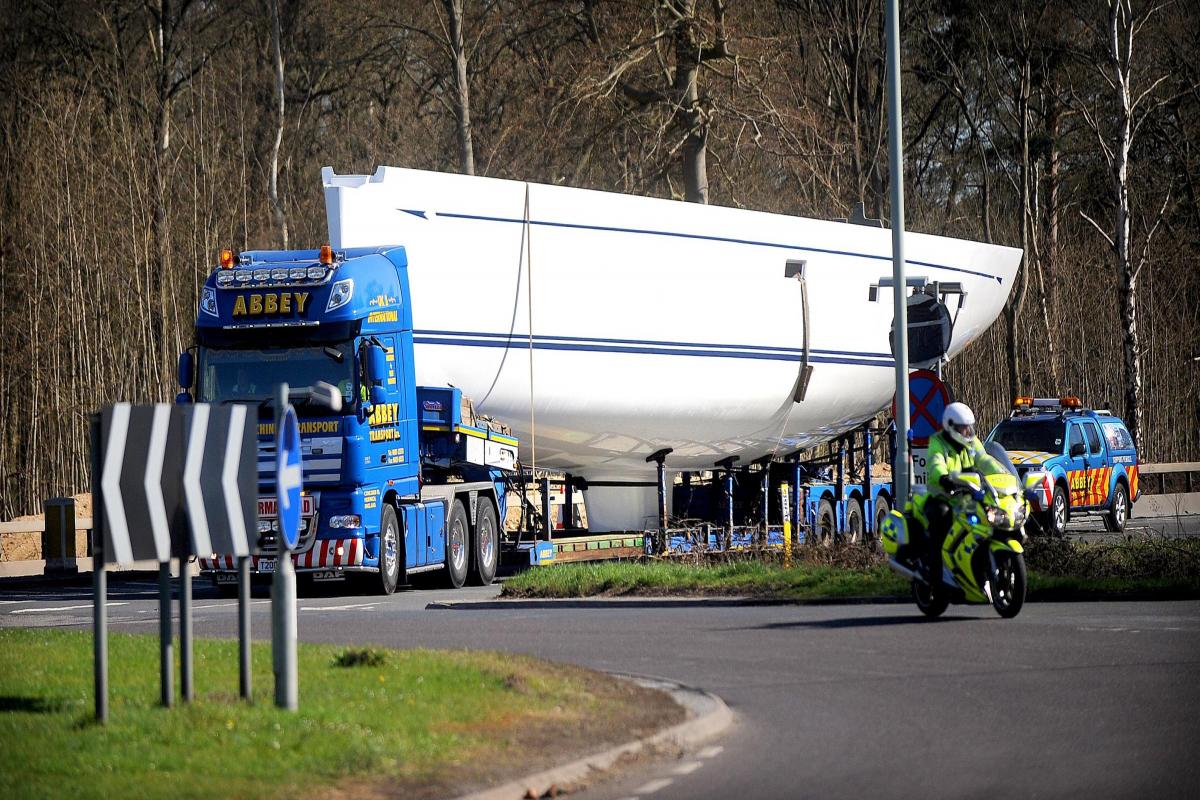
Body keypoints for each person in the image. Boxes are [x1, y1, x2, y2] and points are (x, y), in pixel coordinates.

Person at [922, 402, 1004, 581]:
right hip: (943, 496)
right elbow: (935, 463)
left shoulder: (972, 442)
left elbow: (984, 460)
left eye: (968, 427)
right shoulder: (938, 442)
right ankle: (936, 574)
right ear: (950, 426)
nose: (967, 431)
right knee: (942, 520)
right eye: (962, 428)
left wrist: (1001, 473)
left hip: (969, 496)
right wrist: (943, 477)